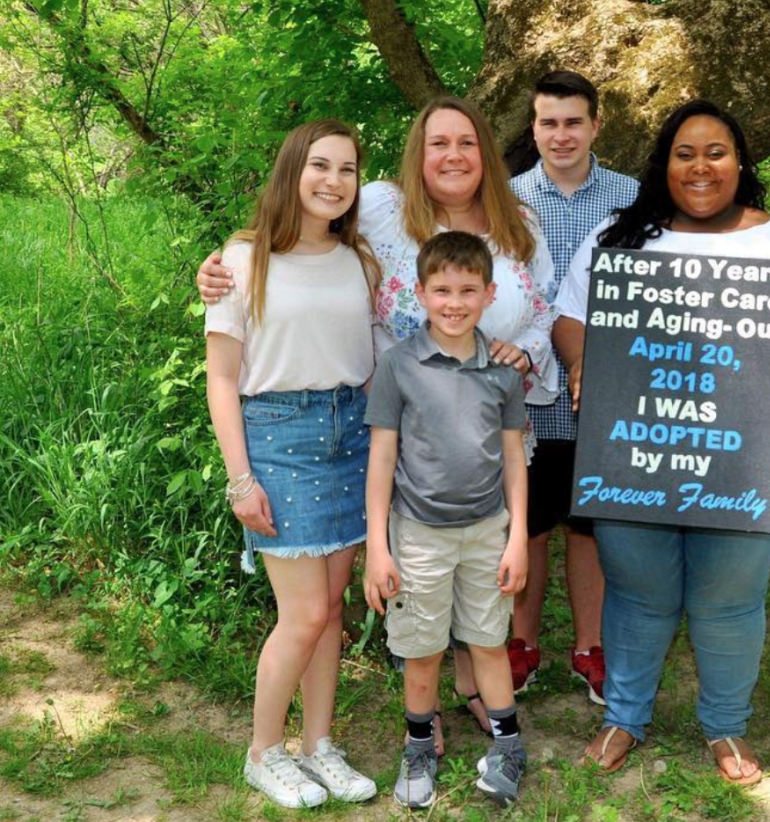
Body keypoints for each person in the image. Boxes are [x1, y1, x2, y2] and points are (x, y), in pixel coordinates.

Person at [196, 96, 557, 742]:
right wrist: (216, 271)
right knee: (400, 577)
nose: (453, 155)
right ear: (418, 154)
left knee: (466, 566)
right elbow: (274, 286)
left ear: (487, 155)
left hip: (477, 432)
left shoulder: (517, 225)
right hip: (386, 431)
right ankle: (409, 717)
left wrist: (524, 351)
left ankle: (458, 692)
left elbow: (544, 315)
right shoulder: (384, 215)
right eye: (438, 143)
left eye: (467, 143)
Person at [553, 100, 770, 784]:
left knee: (730, 600)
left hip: (743, 458)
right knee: (636, 592)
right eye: (685, 152)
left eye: (715, 152)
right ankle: (624, 717)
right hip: (632, 453)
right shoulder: (621, 235)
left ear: (740, 161)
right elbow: (571, 318)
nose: (700, 166)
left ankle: (726, 729)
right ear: (664, 164)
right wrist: (580, 361)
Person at [204, 119, 379, 808]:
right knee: (302, 614)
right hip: (278, 439)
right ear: (292, 172)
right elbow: (222, 379)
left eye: (347, 169)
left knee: (330, 610)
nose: (333, 180)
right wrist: (240, 479)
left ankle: (318, 745)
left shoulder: (361, 261)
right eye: (320, 166)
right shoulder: (244, 261)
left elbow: (373, 362)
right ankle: (263, 751)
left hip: (353, 433)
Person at [363, 231, 530, 809]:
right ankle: (417, 747)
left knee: (488, 639)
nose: (454, 302)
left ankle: (509, 747)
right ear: (420, 294)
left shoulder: (504, 372)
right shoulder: (398, 366)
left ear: (488, 293)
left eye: (466, 290)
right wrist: (379, 549)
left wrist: (518, 540)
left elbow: (513, 458)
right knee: (422, 647)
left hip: (488, 531)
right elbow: (382, 459)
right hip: (418, 534)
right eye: (441, 290)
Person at [506, 70, 639, 703]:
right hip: (526, 402)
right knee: (527, 525)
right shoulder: (504, 200)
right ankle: (520, 644)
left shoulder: (632, 199)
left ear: (596, 125)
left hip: (602, 400)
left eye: (573, 122)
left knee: (589, 529)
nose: (560, 135)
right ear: (532, 128)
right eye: (548, 123)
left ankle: (590, 646)